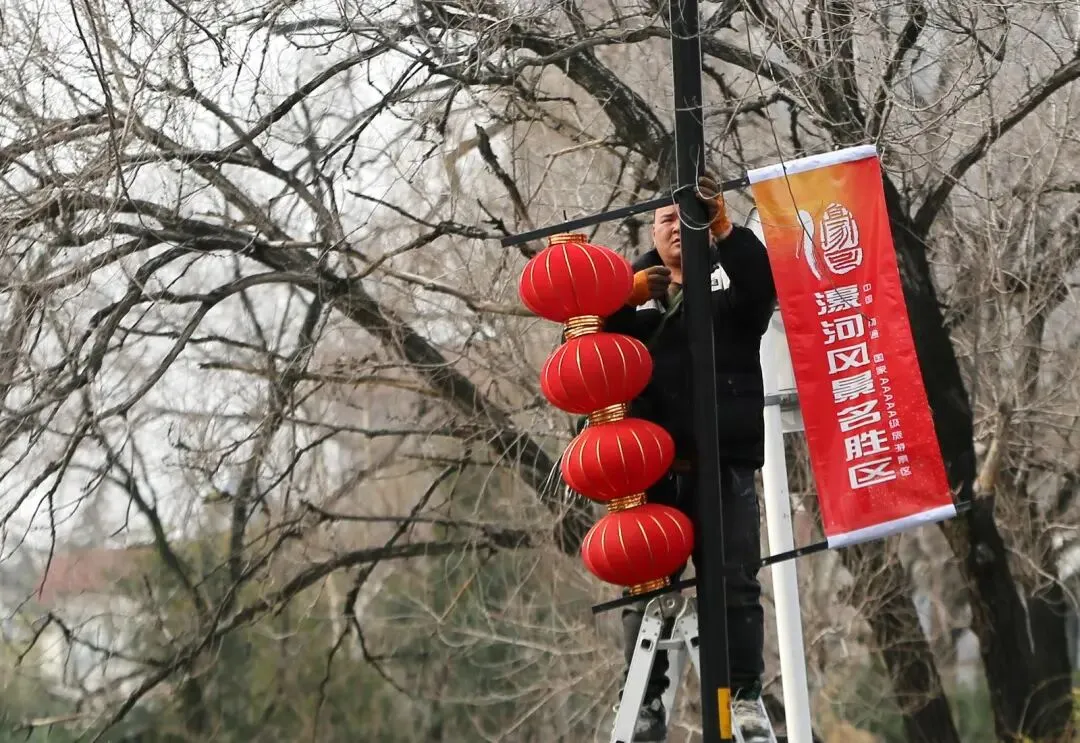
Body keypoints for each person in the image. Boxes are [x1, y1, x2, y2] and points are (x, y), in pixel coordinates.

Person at [602, 175, 777, 742]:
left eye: (686, 217)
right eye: (665, 220)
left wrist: (727, 229)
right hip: (653, 474)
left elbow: (761, 287)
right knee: (645, 586)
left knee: (735, 582)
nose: (676, 226)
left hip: (724, 464)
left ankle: (744, 696)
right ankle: (644, 702)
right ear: (652, 234)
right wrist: (622, 298)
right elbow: (584, 353)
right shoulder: (635, 309)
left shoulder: (730, 297)